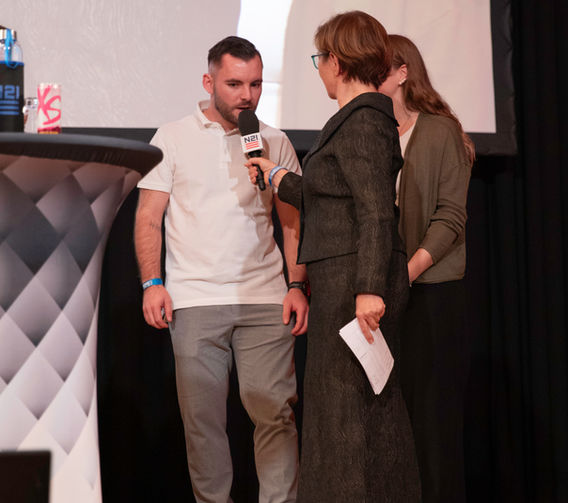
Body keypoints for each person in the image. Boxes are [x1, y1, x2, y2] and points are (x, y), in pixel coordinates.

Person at [246, 12, 421, 502]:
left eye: (319, 59)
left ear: (337, 62)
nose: (319, 68)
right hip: (343, 281)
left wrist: (369, 289)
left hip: (355, 285)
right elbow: (331, 195)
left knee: (352, 415)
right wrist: (277, 177)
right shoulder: (355, 120)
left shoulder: (364, 120)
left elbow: (375, 210)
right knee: (342, 412)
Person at [134, 36, 309, 503]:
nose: (246, 96)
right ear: (208, 82)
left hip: (265, 297)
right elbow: (148, 217)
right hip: (194, 298)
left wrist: (297, 284)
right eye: (234, 84)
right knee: (203, 424)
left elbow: (292, 222)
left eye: (255, 84)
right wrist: (152, 282)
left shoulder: (273, 141)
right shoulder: (172, 137)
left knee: (275, 413)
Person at [378, 34, 474, 503]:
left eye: (376, 69)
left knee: (432, 424)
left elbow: (450, 218)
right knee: (389, 422)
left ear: (402, 73)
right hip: (380, 294)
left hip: (431, 292)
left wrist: (406, 274)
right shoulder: (371, 132)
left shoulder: (439, 131)